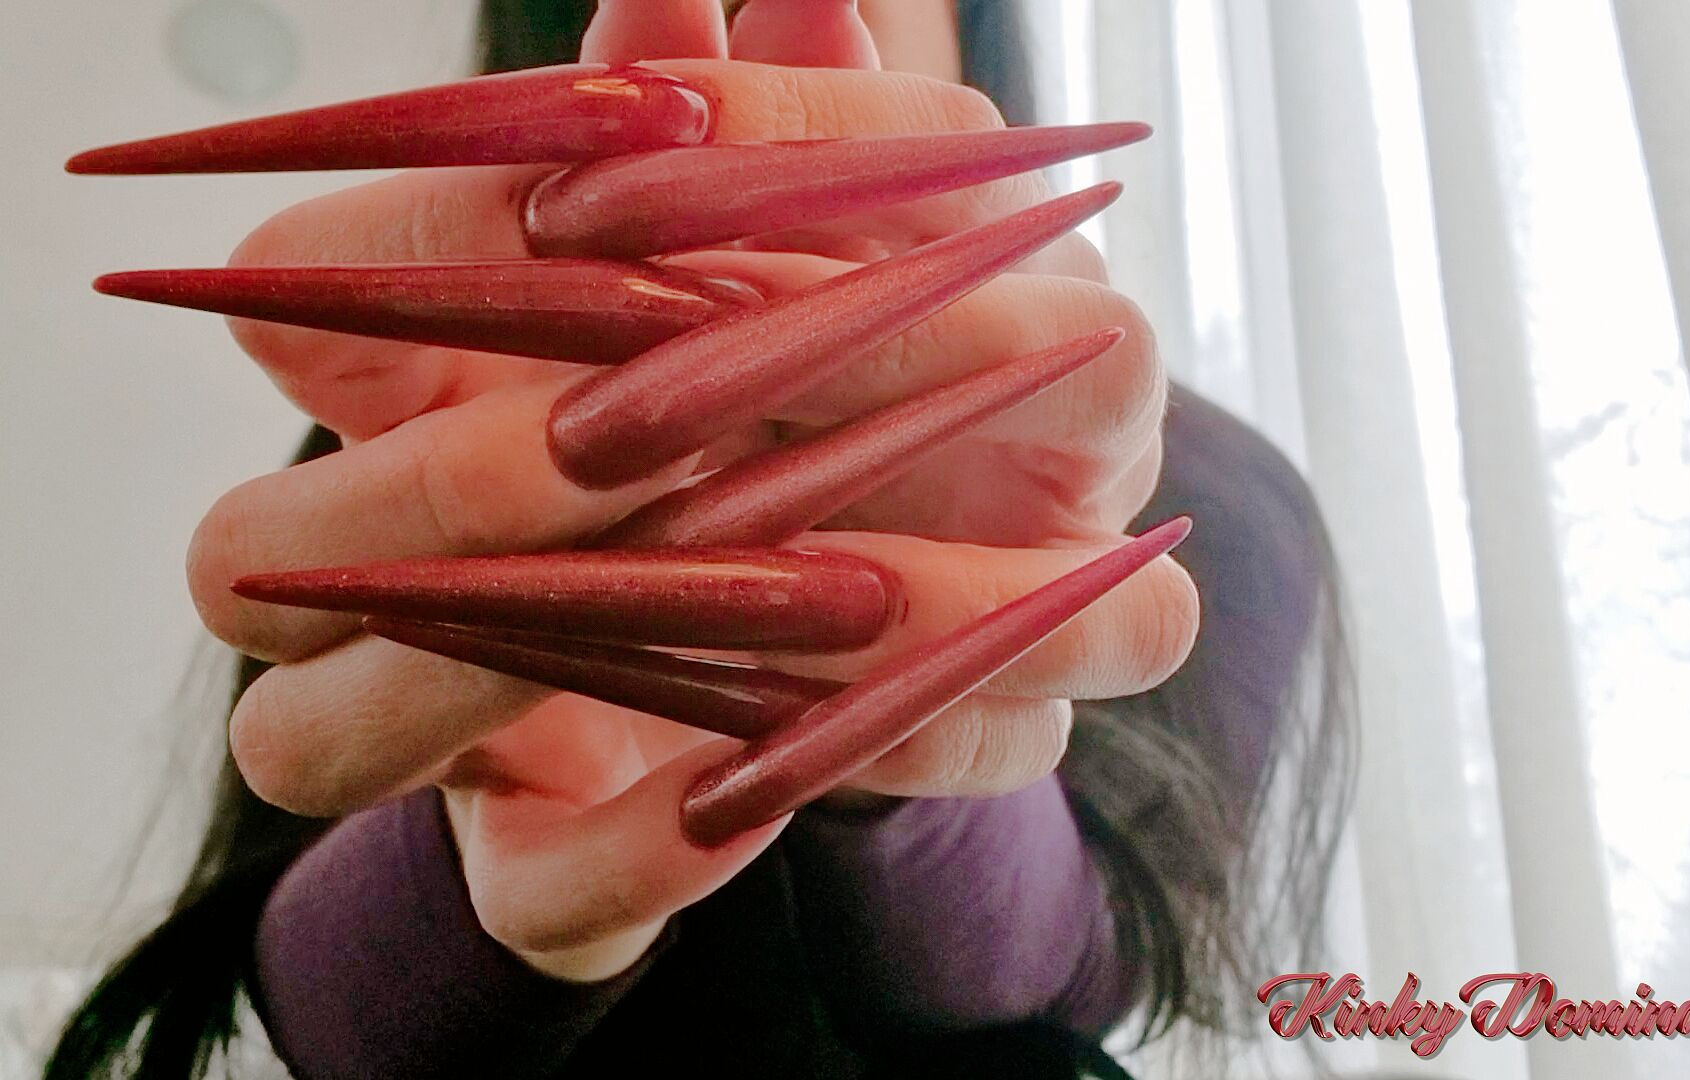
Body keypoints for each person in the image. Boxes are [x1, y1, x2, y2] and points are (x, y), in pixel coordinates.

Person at [46, 2, 1354, 1077]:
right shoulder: (418, 447)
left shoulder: (1212, 495)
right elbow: (273, 997)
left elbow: (1098, 979)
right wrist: (510, 860)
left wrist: (898, 718)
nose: (745, 46)